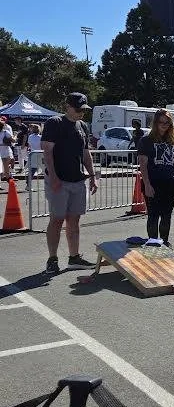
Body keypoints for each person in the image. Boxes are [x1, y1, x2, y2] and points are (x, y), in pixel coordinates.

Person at [40, 92, 98, 273]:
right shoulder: (54, 123)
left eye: (84, 110)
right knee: (56, 219)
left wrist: (93, 175)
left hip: (77, 180)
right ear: (68, 106)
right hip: (59, 180)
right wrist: (54, 178)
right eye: (78, 109)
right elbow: (47, 152)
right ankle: (52, 259)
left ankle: (74, 258)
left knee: (74, 220)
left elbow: (85, 152)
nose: (81, 113)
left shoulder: (82, 126)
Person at [138, 109, 174, 246]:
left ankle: (164, 242)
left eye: (167, 122)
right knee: (153, 214)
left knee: (167, 214)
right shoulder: (146, 140)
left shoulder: (173, 140)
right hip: (153, 181)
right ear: (155, 123)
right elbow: (143, 164)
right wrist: (147, 184)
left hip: (169, 182)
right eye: (161, 122)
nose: (164, 125)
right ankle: (153, 242)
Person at [0, 116, 14, 182]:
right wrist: (16, 136)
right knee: (6, 166)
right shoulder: (5, 132)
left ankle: (5, 177)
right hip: (5, 150)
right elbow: (13, 140)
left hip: (2, 150)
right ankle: (10, 181)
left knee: (3, 166)